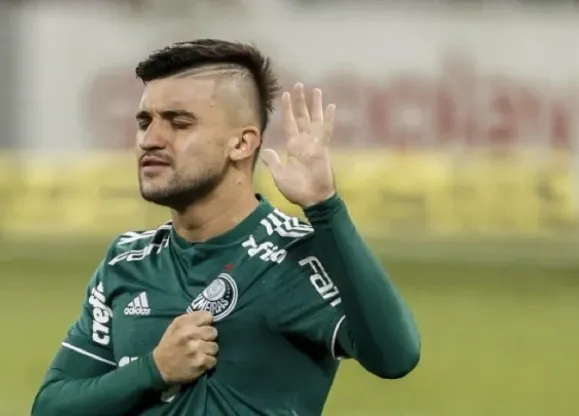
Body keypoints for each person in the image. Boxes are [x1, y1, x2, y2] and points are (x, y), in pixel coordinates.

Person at [31, 38, 420, 416]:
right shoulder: (126, 260)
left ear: (241, 144)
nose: (151, 140)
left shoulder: (294, 255)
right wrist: (153, 370)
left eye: (179, 123)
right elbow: (51, 407)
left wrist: (325, 208)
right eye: (145, 122)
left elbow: (396, 356)